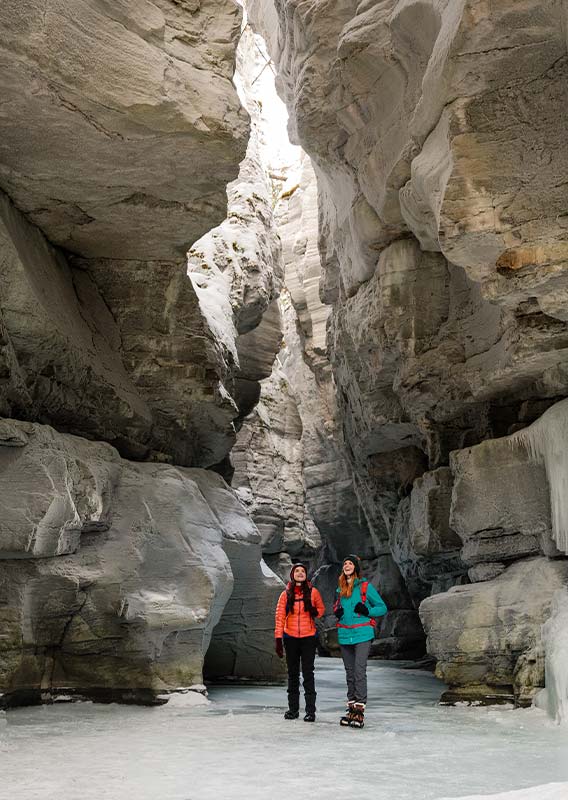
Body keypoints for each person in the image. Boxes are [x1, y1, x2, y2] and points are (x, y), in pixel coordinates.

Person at [334, 554, 387, 728]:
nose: (347, 565)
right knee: (349, 673)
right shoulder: (340, 589)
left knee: (358, 670)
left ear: (356, 567)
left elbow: (382, 607)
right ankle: (351, 709)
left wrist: (367, 610)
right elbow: (337, 607)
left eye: (350, 563)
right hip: (344, 634)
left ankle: (359, 711)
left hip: (363, 634)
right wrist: (338, 612)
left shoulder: (365, 587)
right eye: (345, 563)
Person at [274, 561, 325, 722]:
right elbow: (280, 616)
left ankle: (310, 711)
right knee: (293, 674)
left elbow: (321, 610)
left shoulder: (313, 592)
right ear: (292, 574)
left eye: (303, 571)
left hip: (309, 637)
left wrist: (314, 611)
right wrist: (278, 639)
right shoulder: (285, 594)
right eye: (297, 571)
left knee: (308, 673)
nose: (300, 573)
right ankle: (293, 710)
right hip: (290, 638)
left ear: (306, 574)